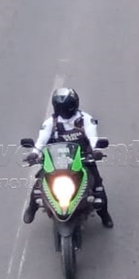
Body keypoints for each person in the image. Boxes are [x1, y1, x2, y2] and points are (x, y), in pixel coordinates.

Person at [23, 88, 112, 228]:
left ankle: (105, 215)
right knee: (38, 186)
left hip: (82, 160)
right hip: (56, 162)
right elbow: (41, 141)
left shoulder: (85, 119)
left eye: (66, 106)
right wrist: (34, 153)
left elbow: (93, 136)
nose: (64, 110)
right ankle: (31, 209)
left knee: (98, 188)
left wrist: (96, 150)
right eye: (61, 107)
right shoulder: (50, 123)